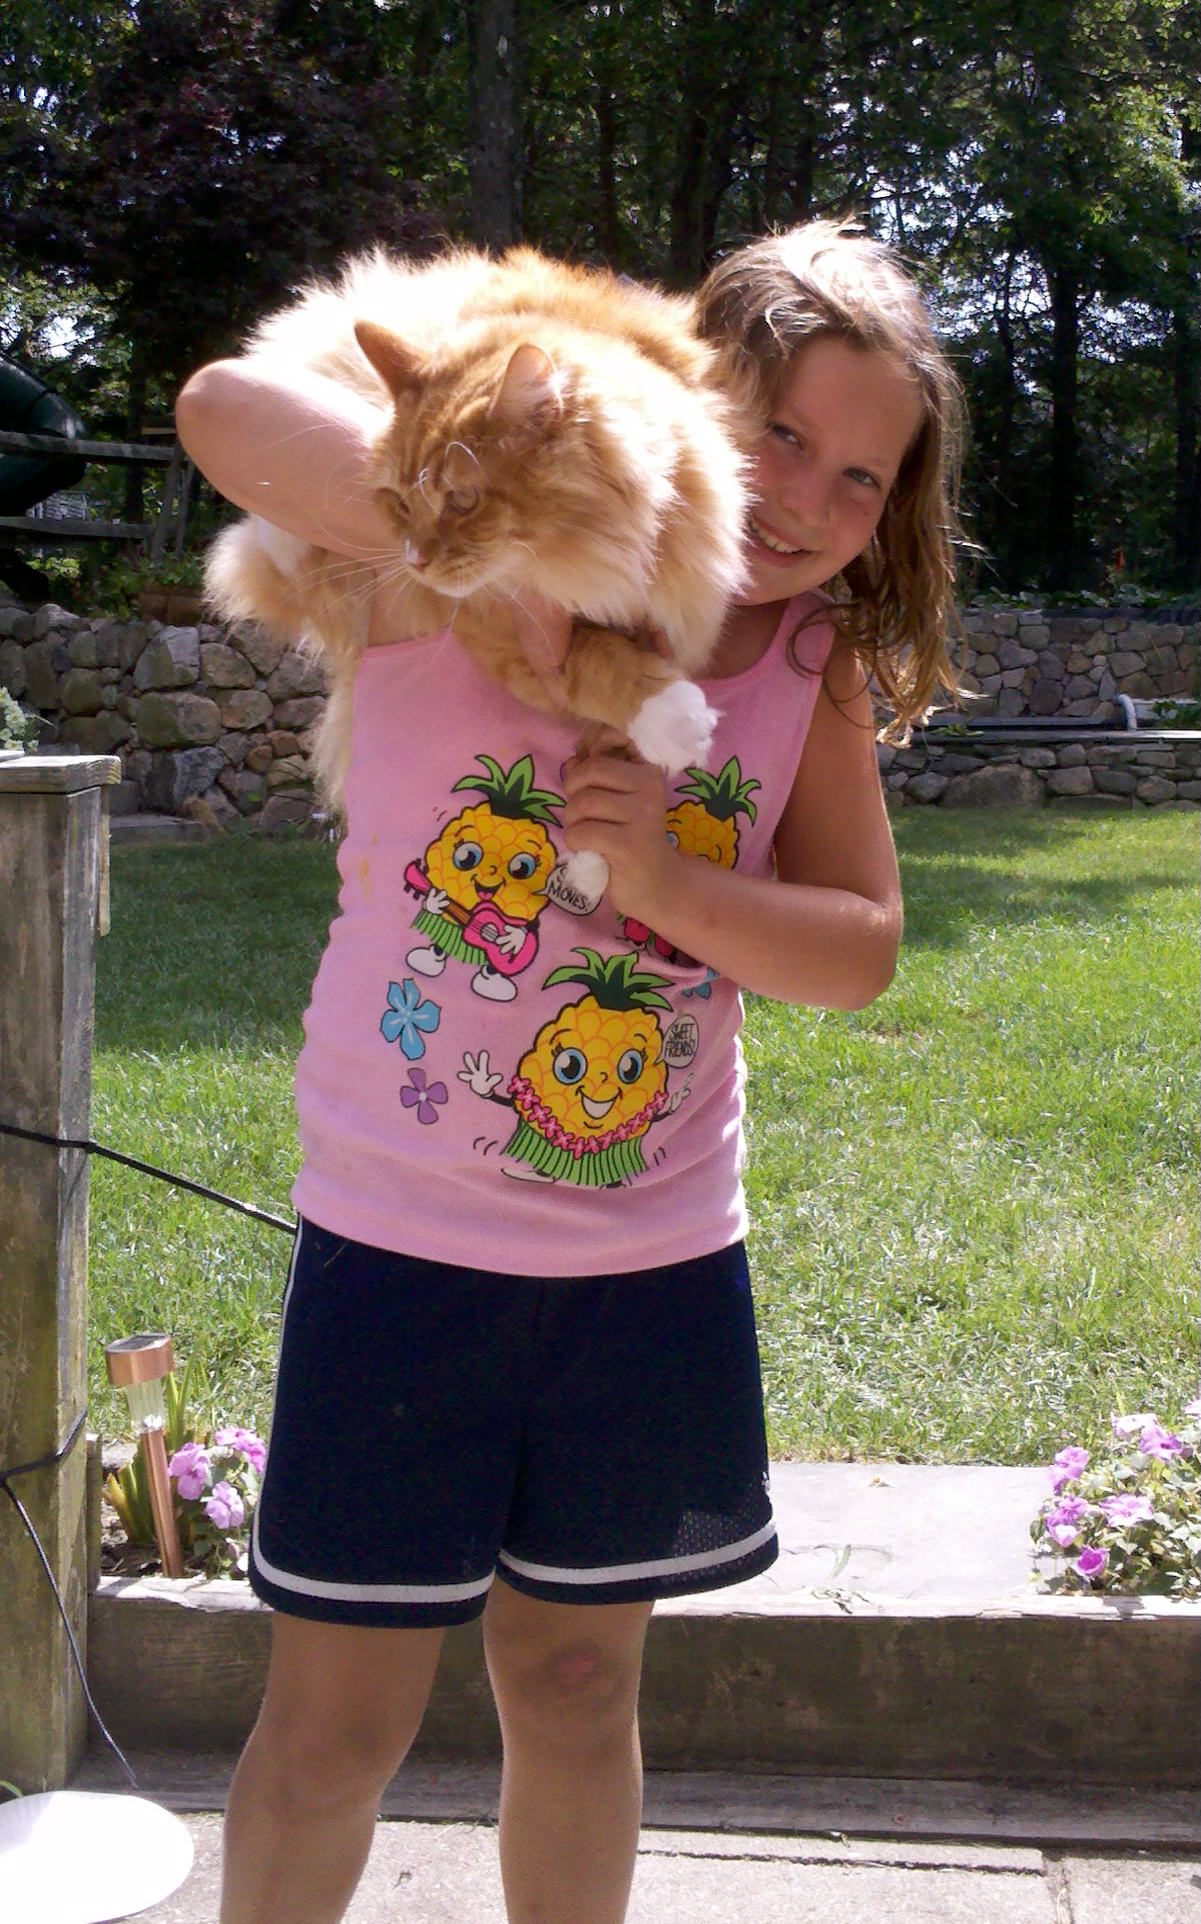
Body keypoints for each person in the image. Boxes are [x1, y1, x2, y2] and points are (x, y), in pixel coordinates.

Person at [174, 219, 964, 1924]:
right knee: (334, 1726)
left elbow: (861, 941)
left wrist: (682, 888)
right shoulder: (424, 577)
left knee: (578, 1688)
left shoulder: (801, 666)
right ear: (685, 403)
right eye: (778, 435)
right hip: (400, 1252)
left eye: (860, 475)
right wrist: (505, 549)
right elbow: (223, 406)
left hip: (647, 1265)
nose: (811, 498)